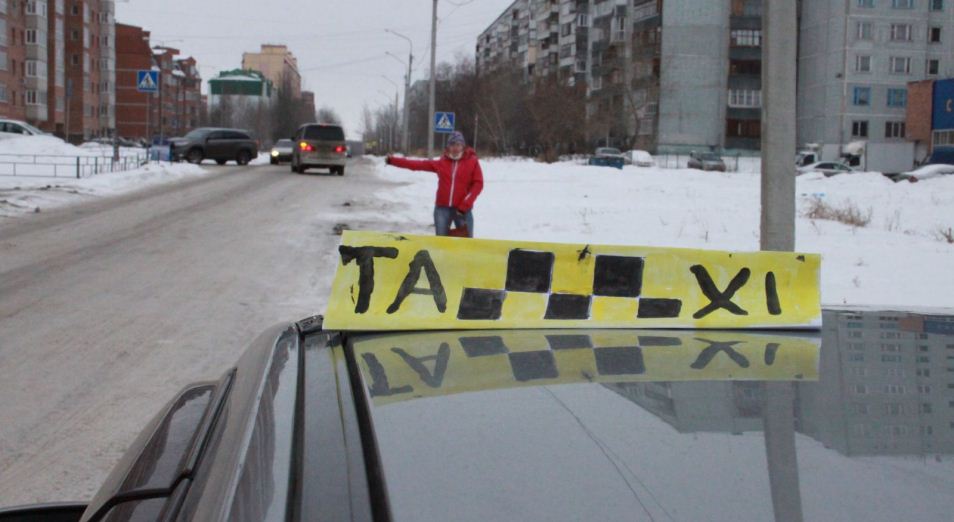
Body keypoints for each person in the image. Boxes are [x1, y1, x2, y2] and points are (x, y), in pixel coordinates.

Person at [386, 131, 484, 238]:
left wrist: (465, 204)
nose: (455, 148)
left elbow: (478, 184)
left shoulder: (472, 162)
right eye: (452, 144)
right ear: (448, 147)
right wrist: (393, 160)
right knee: (441, 242)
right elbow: (416, 165)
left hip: (462, 210)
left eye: (458, 144)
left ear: (463, 146)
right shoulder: (441, 163)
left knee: (467, 243)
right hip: (442, 209)